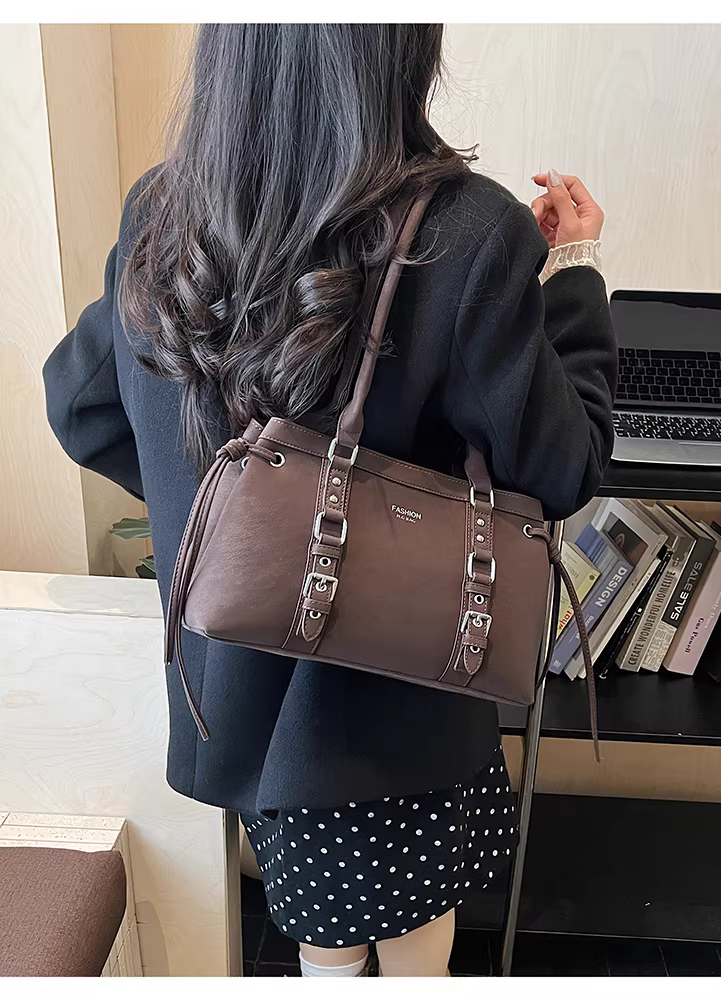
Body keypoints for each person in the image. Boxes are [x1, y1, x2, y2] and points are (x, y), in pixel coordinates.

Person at [43, 24, 617, 977]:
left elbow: (83, 407)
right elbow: (565, 469)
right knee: (413, 958)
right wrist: (575, 275)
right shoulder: (469, 232)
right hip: (405, 696)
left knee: (325, 941)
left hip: (240, 692)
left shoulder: (165, 210)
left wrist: (239, 523)